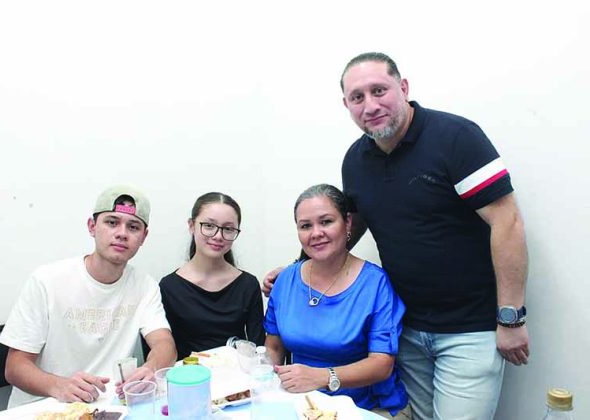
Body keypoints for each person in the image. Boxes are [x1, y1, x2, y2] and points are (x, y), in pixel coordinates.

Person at [264, 52, 529, 420]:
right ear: (347, 105)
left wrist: (511, 317)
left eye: (379, 90)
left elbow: (507, 222)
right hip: (406, 327)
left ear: (403, 88)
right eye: (357, 97)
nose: (370, 105)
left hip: (469, 328)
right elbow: (346, 228)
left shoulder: (456, 138)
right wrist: (300, 271)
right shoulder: (355, 161)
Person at [0, 185, 177, 408]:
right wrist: (59, 385)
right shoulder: (47, 280)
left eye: (133, 227)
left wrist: (151, 368)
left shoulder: (144, 285)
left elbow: (164, 343)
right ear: (92, 227)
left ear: (143, 237)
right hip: (46, 406)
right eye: (112, 222)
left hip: (107, 404)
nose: (122, 233)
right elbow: (15, 367)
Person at [264, 184, 410, 419]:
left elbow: (382, 364)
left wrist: (323, 377)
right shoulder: (285, 280)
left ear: (348, 222)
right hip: (304, 405)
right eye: (305, 226)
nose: (316, 233)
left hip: (368, 408)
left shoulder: (375, 284)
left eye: (326, 222)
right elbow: (274, 347)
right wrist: (267, 383)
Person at [159, 192, 265, 360]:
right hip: (188, 374)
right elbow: (164, 352)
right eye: (209, 226)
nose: (218, 236)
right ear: (191, 226)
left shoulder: (248, 284)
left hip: (237, 374)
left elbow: (258, 349)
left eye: (228, 229)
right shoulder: (169, 287)